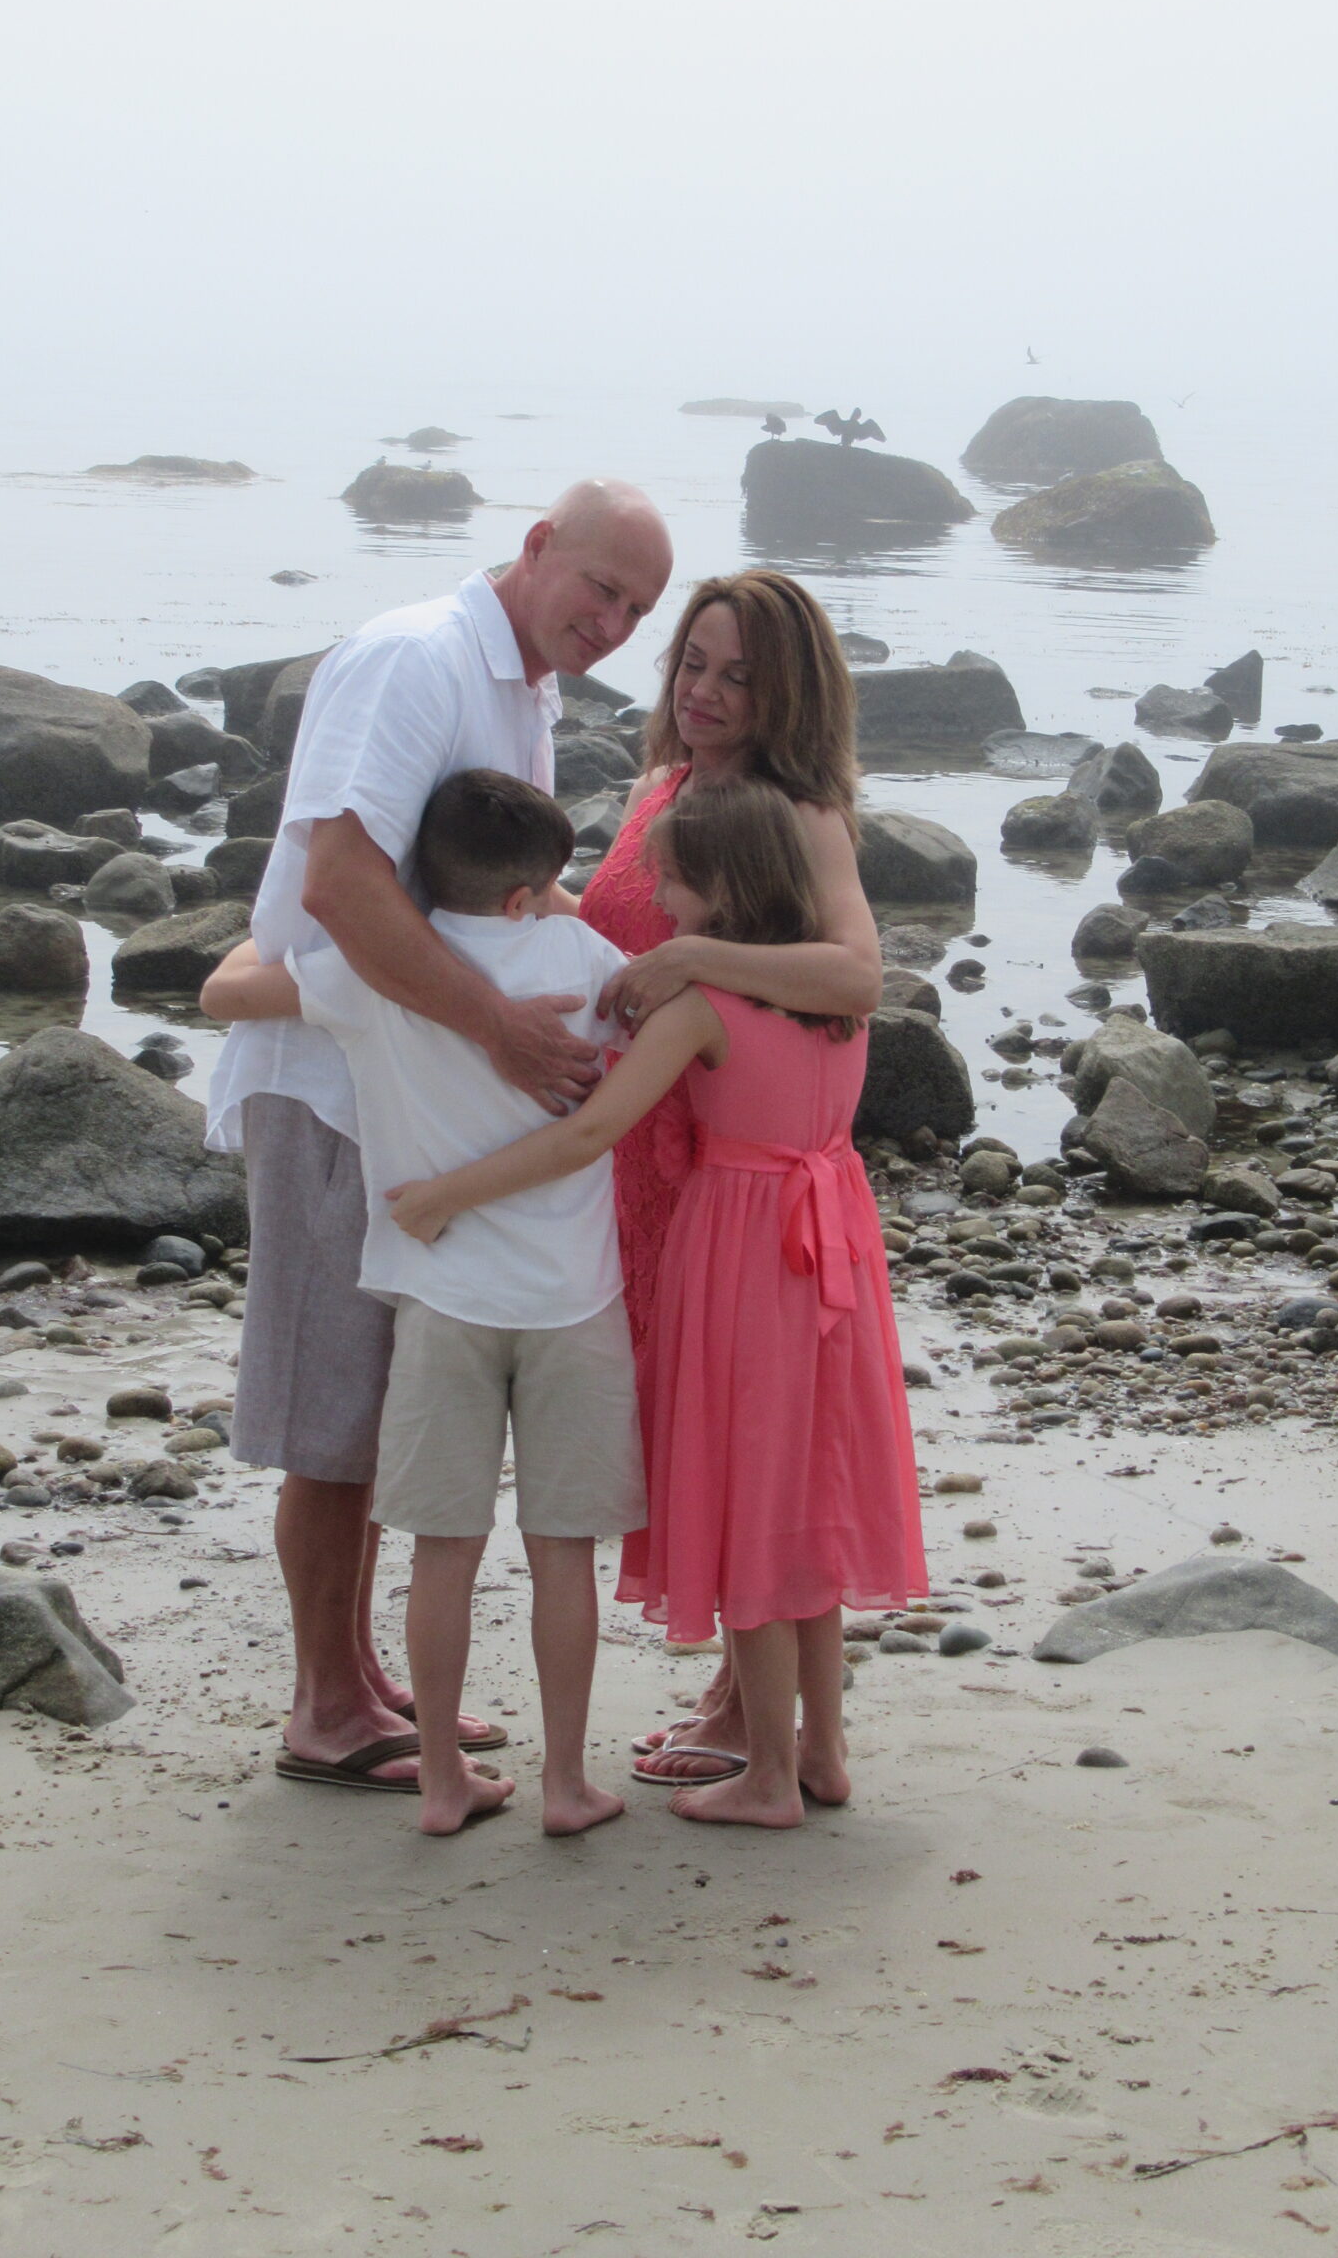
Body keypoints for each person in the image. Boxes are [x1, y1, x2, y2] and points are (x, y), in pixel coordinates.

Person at [202, 480, 673, 1793]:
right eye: (600, 586)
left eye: (638, 607)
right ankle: (325, 1706)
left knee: (377, 1406)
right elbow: (343, 885)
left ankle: (360, 1676)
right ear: (535, 551)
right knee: (329, 1410)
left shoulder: (523, 690)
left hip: (409, 1087)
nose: (616, 620)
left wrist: (635, 972)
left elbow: (501, 893)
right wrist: (504, 1035)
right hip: (334, 1082)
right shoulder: (416, 658)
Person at [387, 777, 928, 1830]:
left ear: (721, 888)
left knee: (753, 1508)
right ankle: (823, 1749)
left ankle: (768, 1775)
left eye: (669, 879)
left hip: (747, 1248)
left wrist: (449, 1192)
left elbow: (593, 1131)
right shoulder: (841, 1000)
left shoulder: (701, 1010)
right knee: (813, 1492)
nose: (657, 899)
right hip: (839, 1249)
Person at [577, 571, 879, 1779]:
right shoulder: (662, 788)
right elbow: (610, 932)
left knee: (760, 1442)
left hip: (729, 1176)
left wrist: (698, 952)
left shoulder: (796, 814)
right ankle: (747, 1704)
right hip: (638, 1165)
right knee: (686, 1435)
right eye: (690, 663)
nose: (703, 691)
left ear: (784, 692)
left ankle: (753, 1715)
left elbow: (856, 979)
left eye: (736, 674)